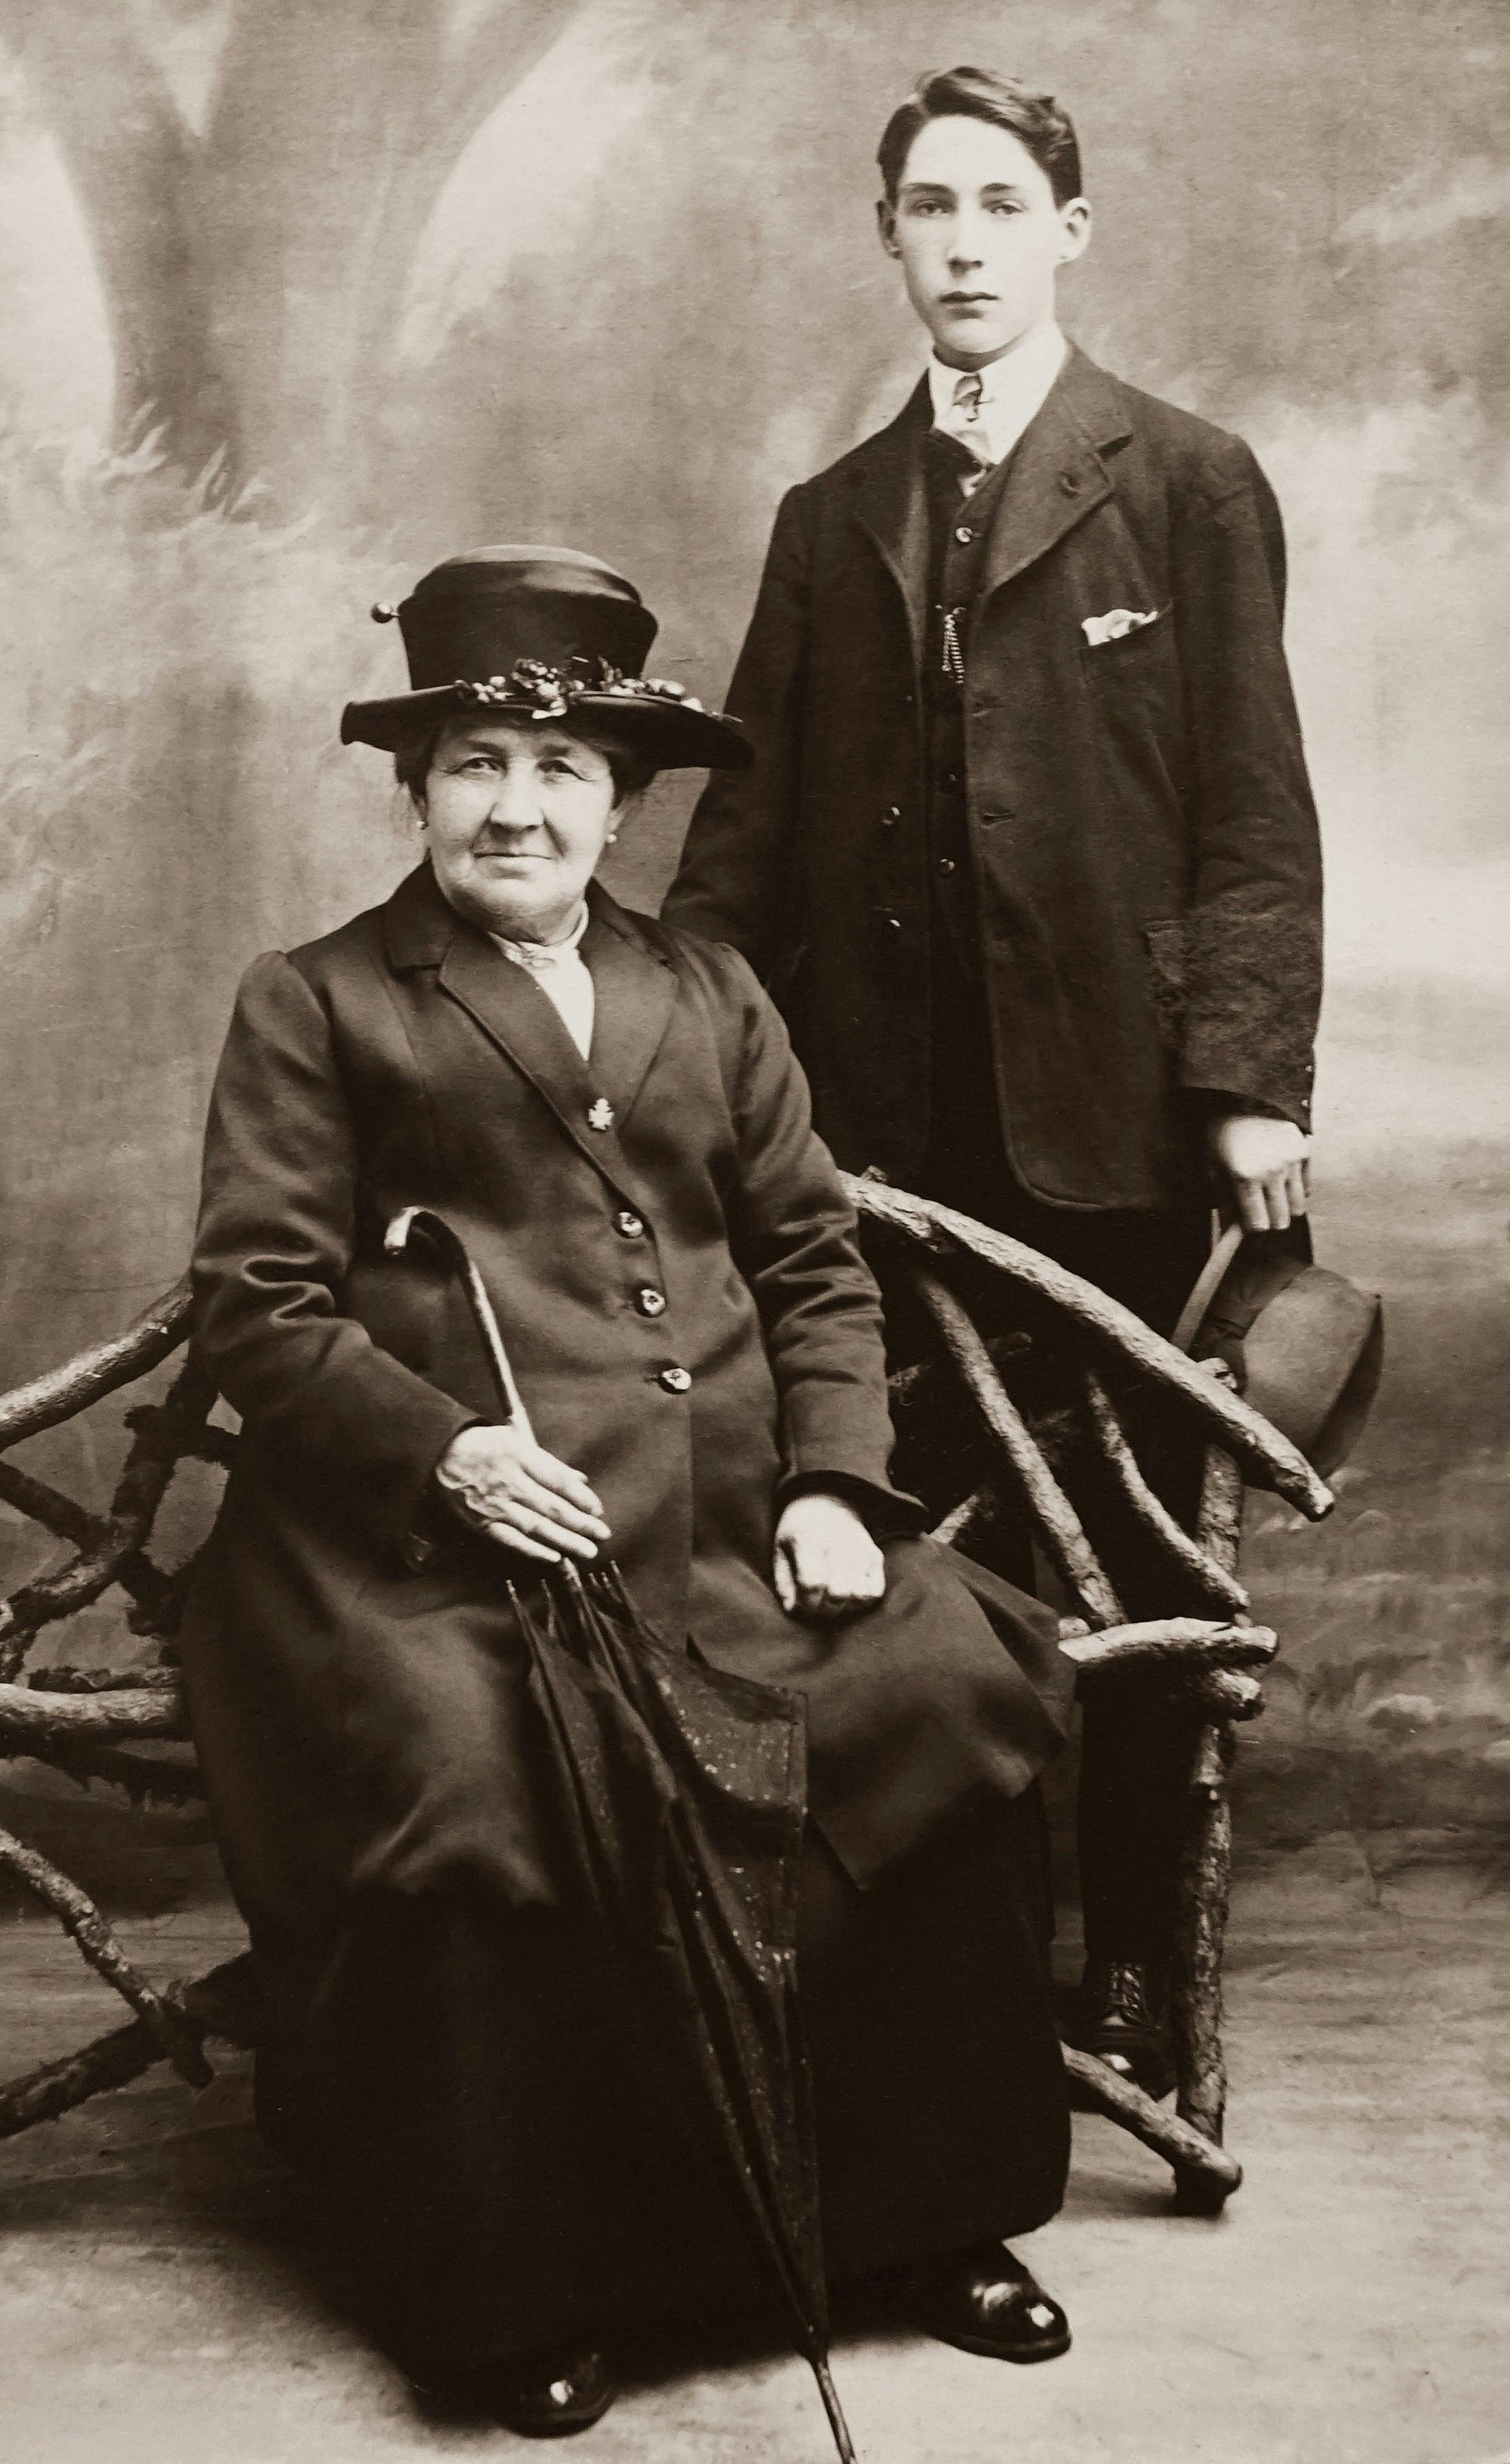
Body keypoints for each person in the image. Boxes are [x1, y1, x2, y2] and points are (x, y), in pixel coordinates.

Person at [180, 545, 1080, 2438]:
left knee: (945, 1696)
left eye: (563, 769)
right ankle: (530, 2289)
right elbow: (257, 1307)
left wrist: (837, 1480)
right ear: (417, 789)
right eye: (479, 768)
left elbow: (816, 1265)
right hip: (424, 1550)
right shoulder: (322, 1000)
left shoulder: (711, 990)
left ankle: (922, 2227)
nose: (519, 805)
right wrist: (449, 1452)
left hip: (732, 1524)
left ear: (625, 797)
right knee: (479, 1783)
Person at [662, 67, 1325, 2096]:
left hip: (1115, 1130)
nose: (960, 241)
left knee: (1121, 1554)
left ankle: (1126, 1968)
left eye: (998, 203)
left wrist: (1243, 1082)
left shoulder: (1187, 479)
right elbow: (742, 851)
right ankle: (926, 1970)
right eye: (926, 207)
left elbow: (1253, 819)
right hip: (875, 1141)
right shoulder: (828, 517)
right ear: (890, 240)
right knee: (896, 1543)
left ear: (1069, 230)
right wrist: (693, 1075)